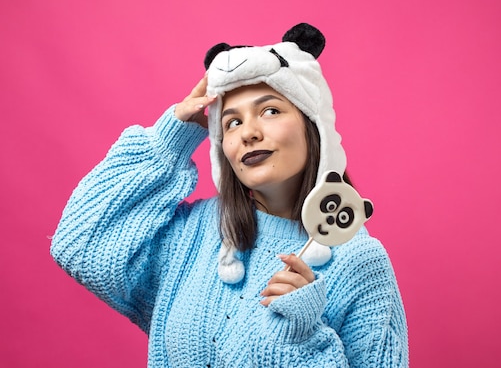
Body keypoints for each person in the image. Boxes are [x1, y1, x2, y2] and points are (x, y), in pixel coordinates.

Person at [51, 23, 409, 367]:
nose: (248, 133)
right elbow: (80, 247)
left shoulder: (358, 260)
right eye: (232, 122)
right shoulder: (195, 233)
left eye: (270, 111)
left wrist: (300, 336)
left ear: (313, 126)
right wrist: (170, 138)